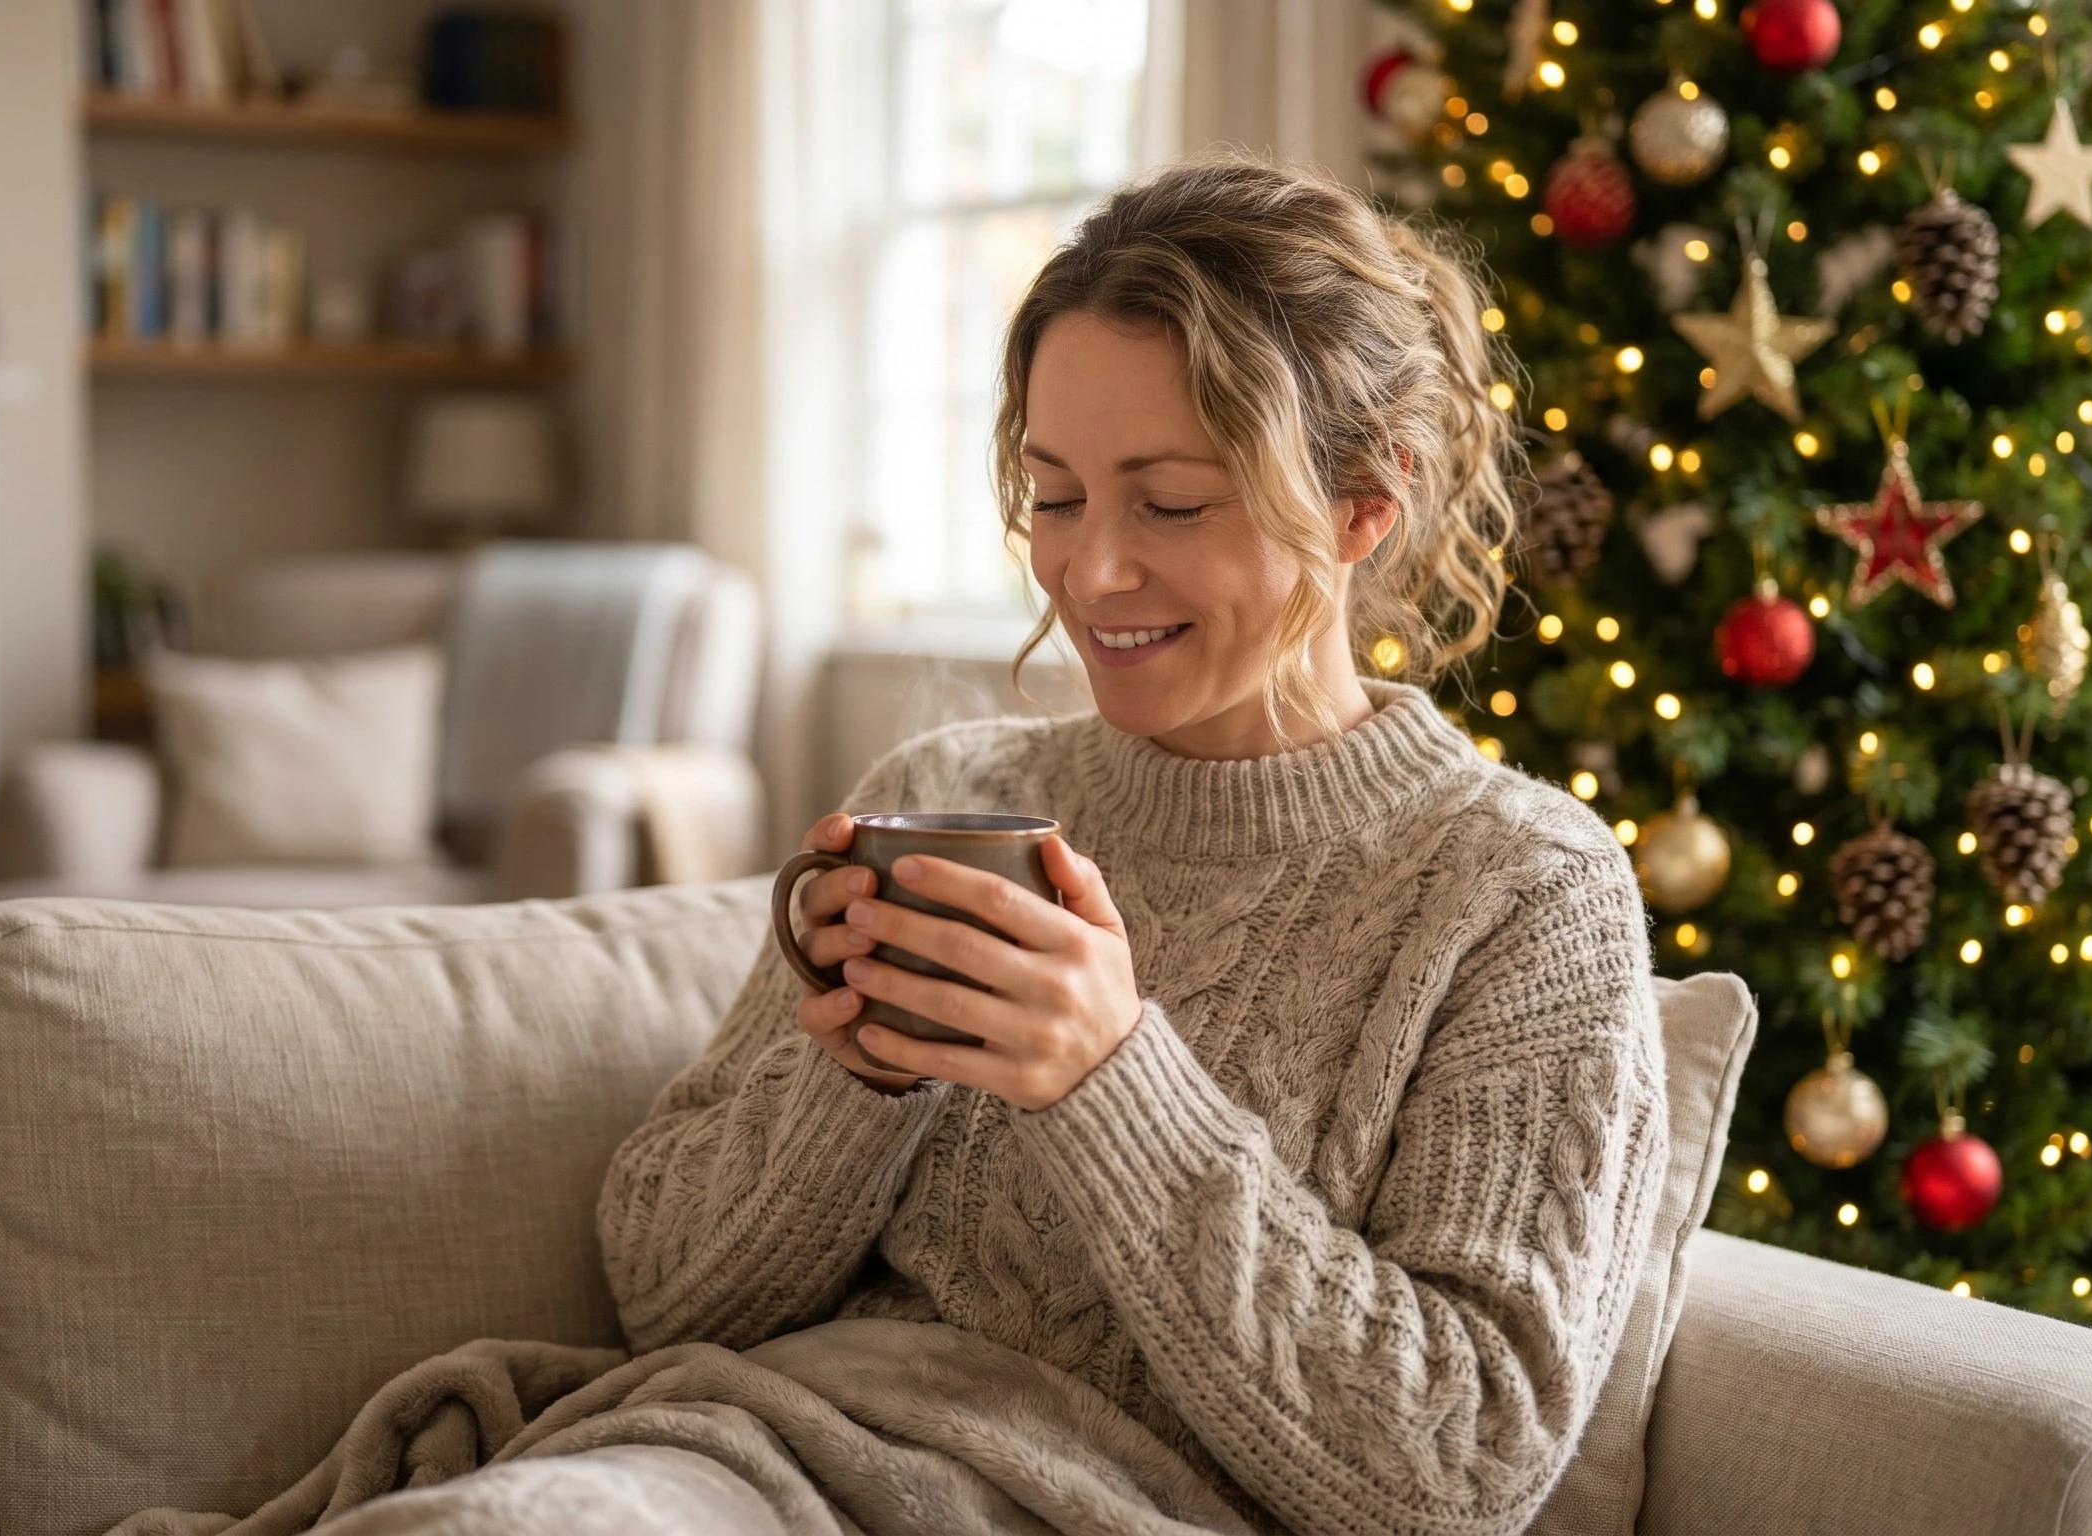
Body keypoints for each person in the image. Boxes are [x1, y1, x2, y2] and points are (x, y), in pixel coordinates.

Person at [597, 147, 1672, 1536]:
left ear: (1364, 505)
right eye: (1055, 496)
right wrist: (848, 1091)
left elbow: (1458, 1469)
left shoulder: (1518, 895)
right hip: (719, 1472)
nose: (1090, 572)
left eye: (1169, 504)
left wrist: (1111, 1084)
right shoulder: (945, 788)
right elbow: (660, 1296)